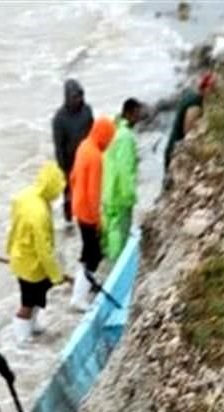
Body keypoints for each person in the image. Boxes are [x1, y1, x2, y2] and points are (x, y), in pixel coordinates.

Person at [6, 161, 72, 343]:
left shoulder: (26, 195)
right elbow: (44, 250)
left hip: (20, 255)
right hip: (31, 266)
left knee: (35, 298)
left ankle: (32, 327)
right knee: (27, 303)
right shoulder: (39, 213)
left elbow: (14, 226)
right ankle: (21, 339)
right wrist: (56, 275)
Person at [69, 116, 116, 310]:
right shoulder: (96, 157)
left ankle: (82, 287)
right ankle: (79, 297)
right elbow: (93, 193)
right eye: (108, 139)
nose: (108, 143)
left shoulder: (83, 146)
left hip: (78, 207)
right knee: (94, 256)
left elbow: (73, 177)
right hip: (88, 212)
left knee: (88, 251)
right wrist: (97, 220)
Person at [102, 98, 143, 262]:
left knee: (110, 229)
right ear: (129, 113)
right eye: (137, 114)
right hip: (120, 194)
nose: (139, 118)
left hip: (108, 189)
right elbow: (125, 169)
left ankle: (109, 264)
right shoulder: (126, 137)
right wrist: (130, 195)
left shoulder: (114, 131)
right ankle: (117, 265)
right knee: (118, 233)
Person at [52, 79, 93, 226]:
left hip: (87, 160)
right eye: (75, 97)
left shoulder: (87, 111)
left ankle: (85, 219)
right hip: (69, 163)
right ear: (67, 97)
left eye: (80, 96)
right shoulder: (59, 119)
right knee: (69, 196)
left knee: (87, 193)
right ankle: (68, 223)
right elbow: (58, 146)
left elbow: (92, 133)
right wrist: (63, 169)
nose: (79, 100)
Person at [164, 71, 217, 172]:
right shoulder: (195, 104)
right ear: (206, 88)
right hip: (174, 151)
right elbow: (188, 133)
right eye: (213, 90)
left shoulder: (191, 93)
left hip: (171, 146)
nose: (214, 94)